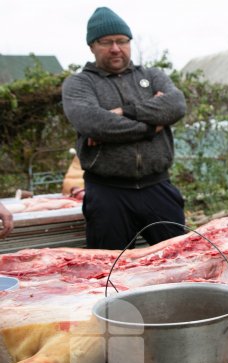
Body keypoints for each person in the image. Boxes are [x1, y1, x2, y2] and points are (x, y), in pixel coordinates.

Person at [62, 7, 187, 250]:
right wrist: (153, 126)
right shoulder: (79, 84)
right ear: (91, 46)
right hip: (108, 194)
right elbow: (94, 123)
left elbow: (176, 105)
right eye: (106, 42)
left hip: (158, 187)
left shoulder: (152, 76)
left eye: (121, 41)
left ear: (129, 42)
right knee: (110, 271)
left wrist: (123, 112)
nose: (115, 48)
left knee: (180, 260)